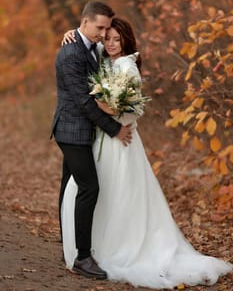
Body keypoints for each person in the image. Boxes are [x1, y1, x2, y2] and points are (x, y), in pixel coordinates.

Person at [61, 18, 232, 289]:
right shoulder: (100, 57)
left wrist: (110, 111)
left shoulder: (128, 67)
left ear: (126, 41)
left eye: (118, 40)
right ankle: (87, 248)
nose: (113, 44)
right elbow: (83, 40)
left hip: (121, 140)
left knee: (120, 196)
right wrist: (71, 32)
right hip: (101, 139)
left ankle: (118, 248)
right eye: (109, 39)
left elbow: (133, 109)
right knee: (92, 191)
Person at [50, 2, 133, 280]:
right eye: (99, 28)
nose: (103, 33)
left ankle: (69, 246)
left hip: (79, 130)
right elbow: (84, 102)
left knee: (69, 186)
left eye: (107, 28)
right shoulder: (72, 53)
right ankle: (82, 257)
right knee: (89, 188)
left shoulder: (89, 46)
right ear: (85, 23)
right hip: (72, 131)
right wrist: (114, 129)